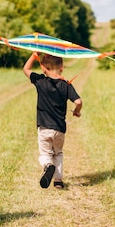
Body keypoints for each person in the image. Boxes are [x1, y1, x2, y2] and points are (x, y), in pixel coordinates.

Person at [23, 52, 83, 189]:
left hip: (44, 128)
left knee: (45, 153)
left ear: (43, 68)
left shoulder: (40, 81)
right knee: (58, 153)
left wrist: (34, 55)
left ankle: (48, 166)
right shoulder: (66, 85)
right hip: (59, 129)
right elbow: (78, 101)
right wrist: (77, 111)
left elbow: (26, 69)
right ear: (62, 67)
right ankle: (58, 181)